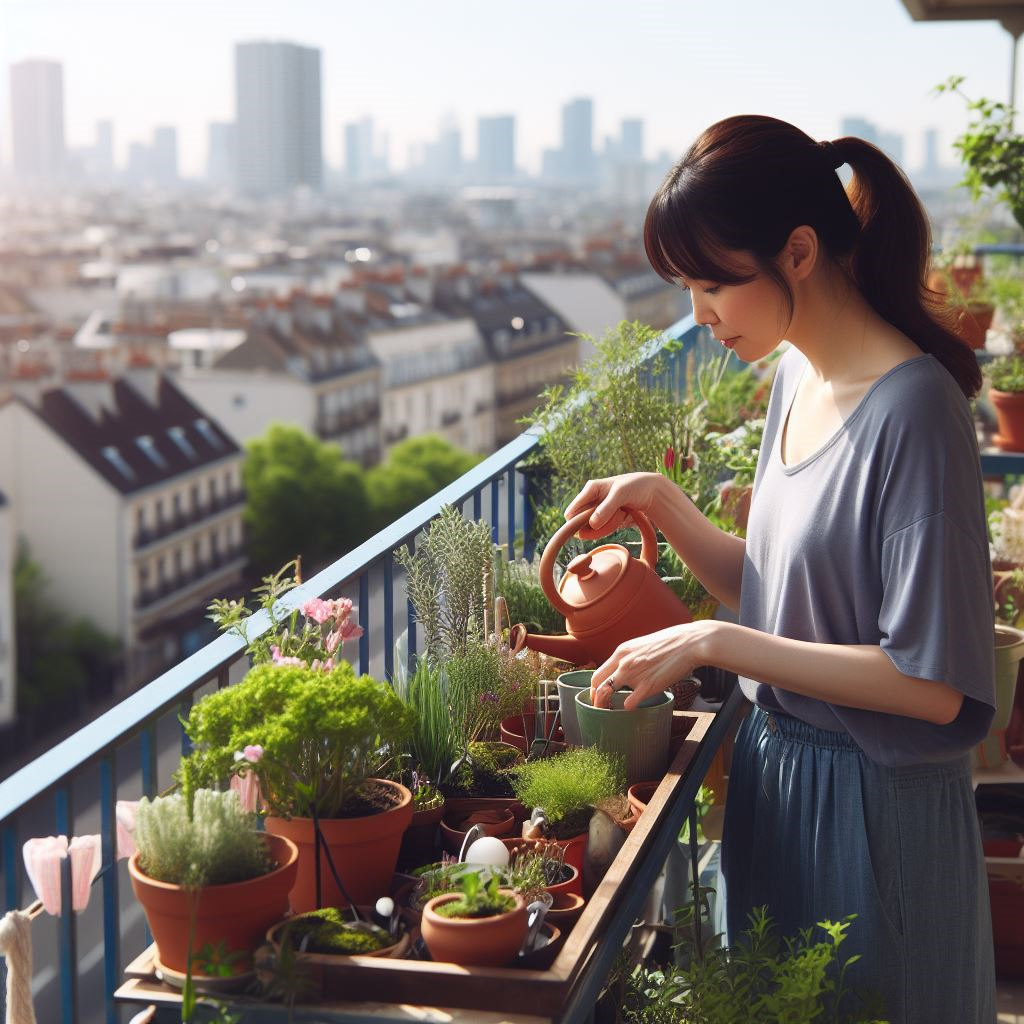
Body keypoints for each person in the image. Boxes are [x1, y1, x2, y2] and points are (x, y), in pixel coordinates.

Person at [565, 115, 996, 1023]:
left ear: (798, 251)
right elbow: (780, 597)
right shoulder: (795, 375)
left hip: (875, 811)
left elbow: (934, 688)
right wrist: (664, 504)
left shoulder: (916, 413)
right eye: (686, 286)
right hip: (776, 778)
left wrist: (718, 641)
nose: (699, 315)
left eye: (714, 283)